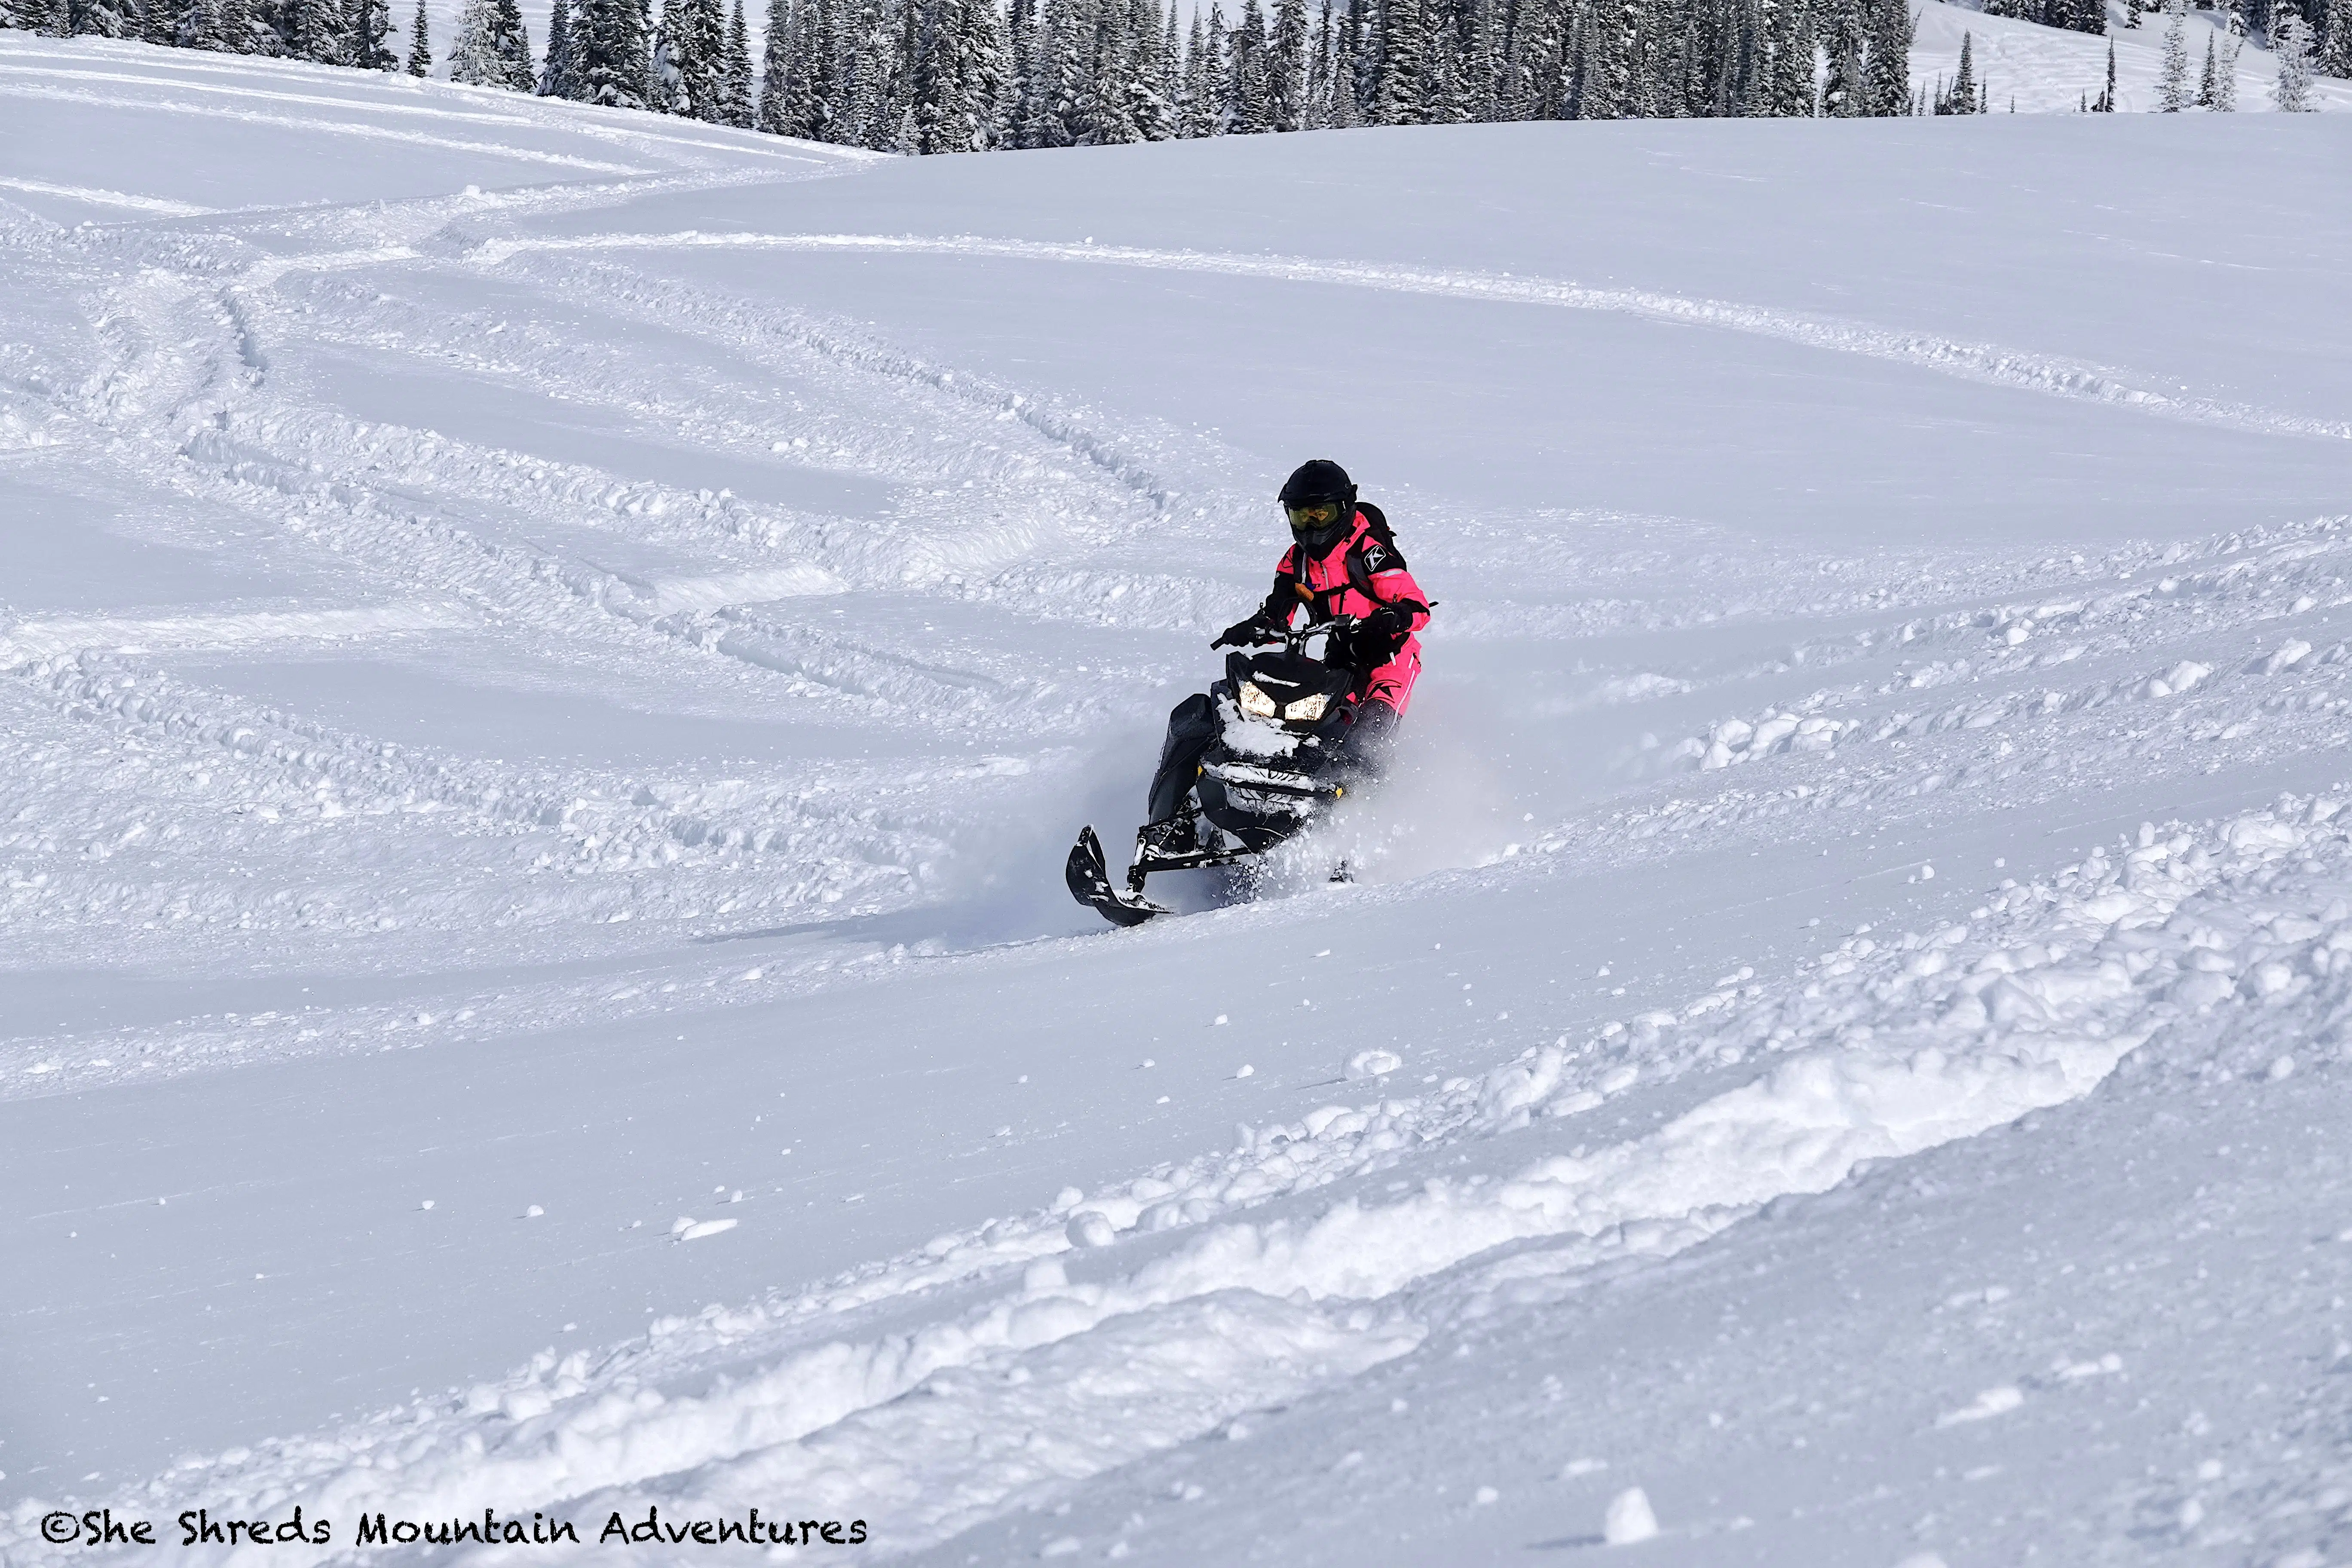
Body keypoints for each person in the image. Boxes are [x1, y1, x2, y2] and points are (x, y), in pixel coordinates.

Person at [1141, 459, 1432, 852]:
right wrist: (1256, 626)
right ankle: (1178, 825)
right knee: (1264, 720)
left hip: (1389, 657)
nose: (1311, 526)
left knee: (1367, 737)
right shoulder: (1296, 560)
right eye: (1301, 515)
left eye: (1321, 514)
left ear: (1343, 510)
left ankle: (1360, 845)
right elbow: (1281, 608)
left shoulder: (1370, 552)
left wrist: (1391, 617)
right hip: (1340, 657)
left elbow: (1416, 605)